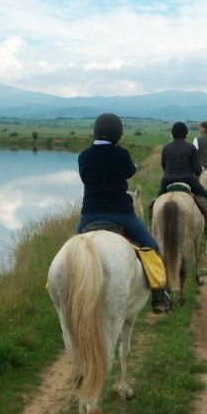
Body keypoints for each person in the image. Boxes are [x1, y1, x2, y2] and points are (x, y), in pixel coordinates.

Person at [77, 112, 171, 313]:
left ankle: (65, 293)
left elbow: (85, 178)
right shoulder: (122, 155)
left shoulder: (83, 156)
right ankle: (159, 295)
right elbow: (129, 171)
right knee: (152, 246)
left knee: (73, 253)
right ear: (117, 134)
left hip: (90, 215)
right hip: (121, 214)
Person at [157, 121, 207, 235]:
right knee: (206, 197)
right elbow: (197, 169)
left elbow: (164, 166)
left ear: (172, 134)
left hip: (167, 180)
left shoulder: (166, 148)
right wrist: (196, 176)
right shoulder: (191, 148)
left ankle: (153, 227)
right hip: (188, 179)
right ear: (186, 134)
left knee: (155, 203)